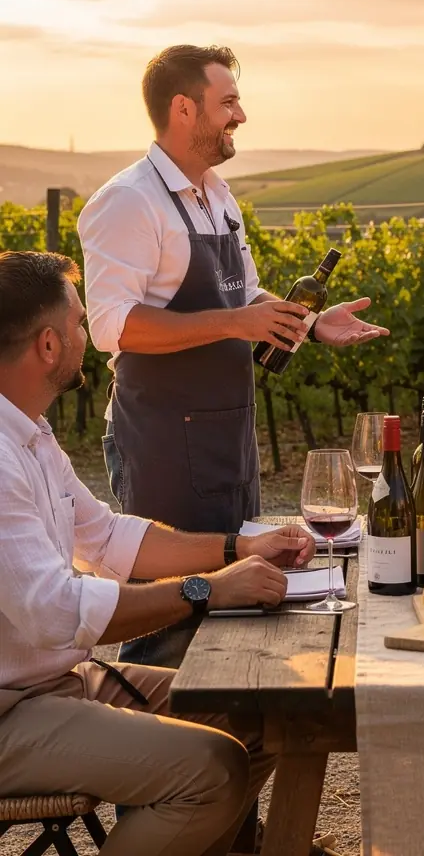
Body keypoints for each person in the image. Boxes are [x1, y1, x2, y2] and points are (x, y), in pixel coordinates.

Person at [78, 44, 388, 669]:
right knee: (169, 613)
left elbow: (244, 296)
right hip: (163, 440)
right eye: (228, 103)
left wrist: (310, 323)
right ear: (184, 108)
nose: (240, 116)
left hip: (227, 433)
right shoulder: (129, 201)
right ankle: (151, 719)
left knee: (235, 598)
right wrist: (235, 322)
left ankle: (218, 722)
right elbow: (112, 327)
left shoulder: (216, 195)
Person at [0, 250, 317, 856]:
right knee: (212, 771)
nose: (88, 337)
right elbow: (55, 612)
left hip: (58, 684)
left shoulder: (31, 434)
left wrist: (238, 548)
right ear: (48, 345)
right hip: (10, 712)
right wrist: (206, 590)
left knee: (263, 713)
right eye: (80, 324)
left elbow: (107, 537)